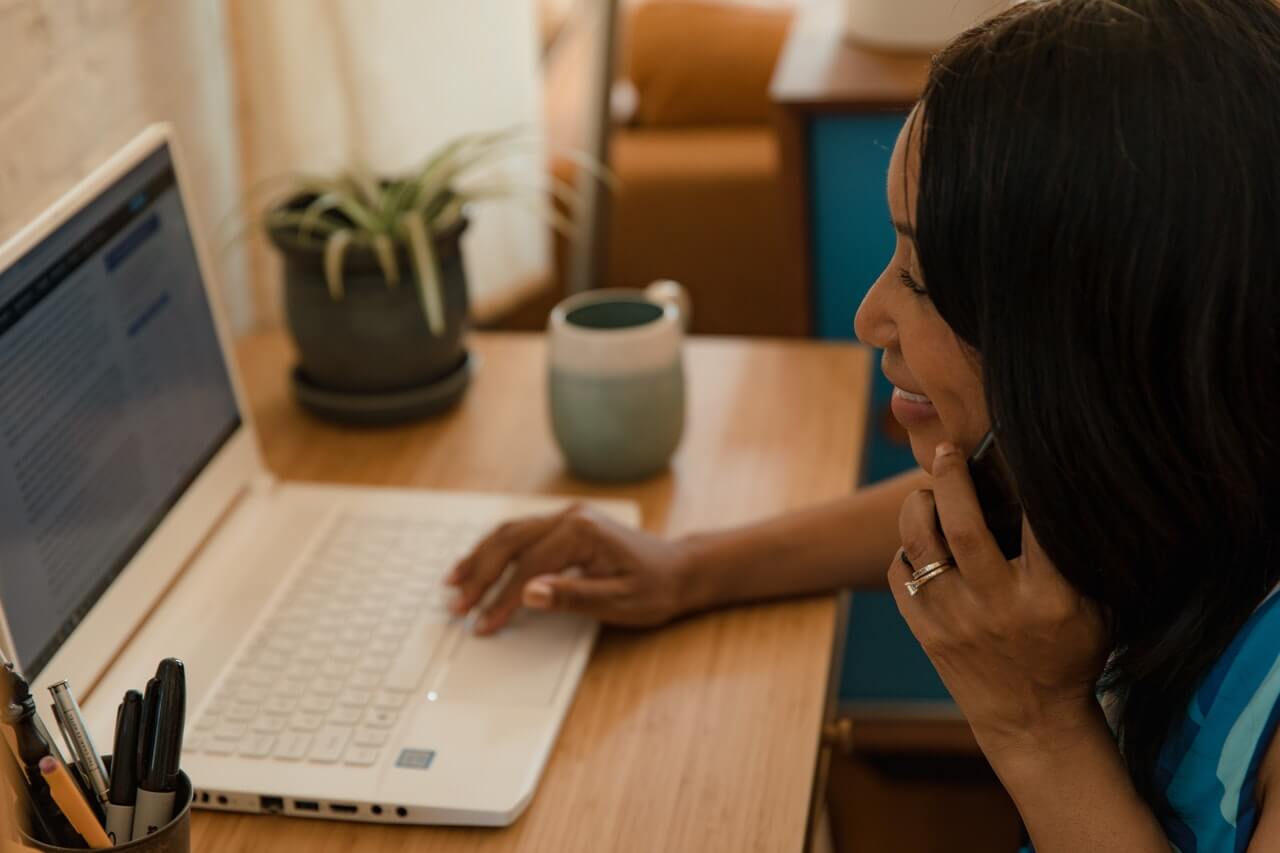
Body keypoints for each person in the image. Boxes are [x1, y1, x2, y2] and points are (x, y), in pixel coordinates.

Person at [447, 0, 1280, 849]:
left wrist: (1036, 726)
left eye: (919, 279)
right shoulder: (1167, 475)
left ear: (1098, 340)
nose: (869, 316)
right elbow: (956, 503)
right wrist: (686, 568)